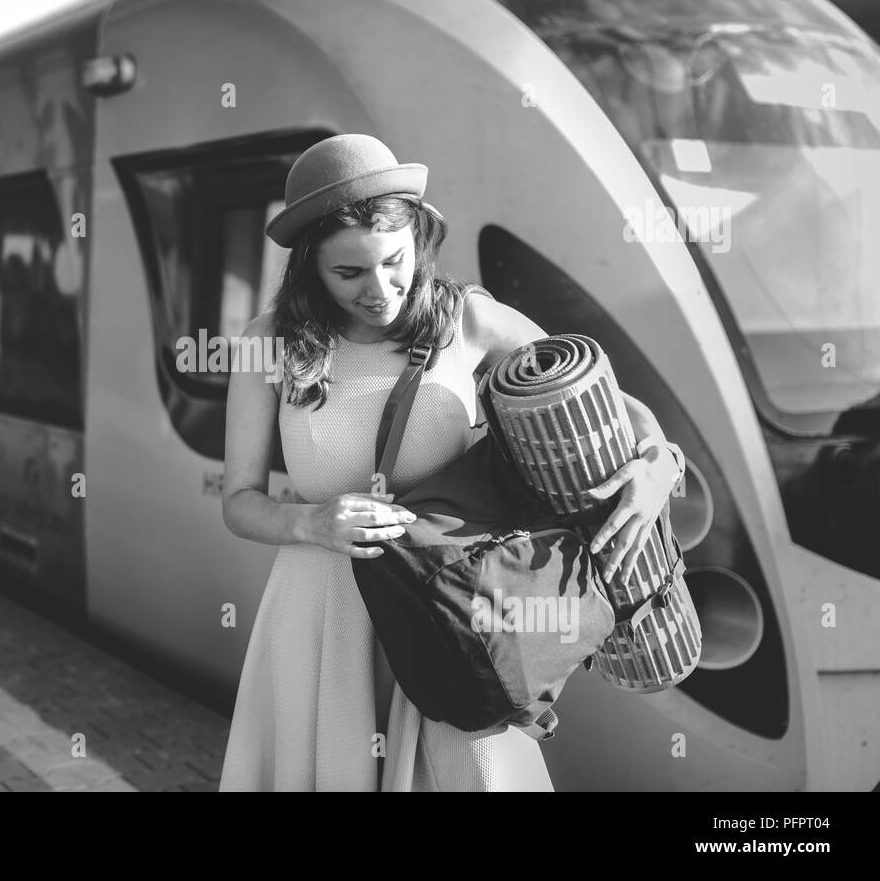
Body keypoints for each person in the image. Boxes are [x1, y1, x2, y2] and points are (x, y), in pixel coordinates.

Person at [218, 134, 683, 791]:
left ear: (418, 239)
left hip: (452, 609)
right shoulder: (268, 343)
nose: (379, 290)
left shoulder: (470, 321)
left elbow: (610, 404)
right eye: (348, 273)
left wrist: (658, 465)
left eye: (394, 262)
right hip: (324, 614)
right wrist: (312, 524)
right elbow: (238, 500)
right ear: (309, 268)